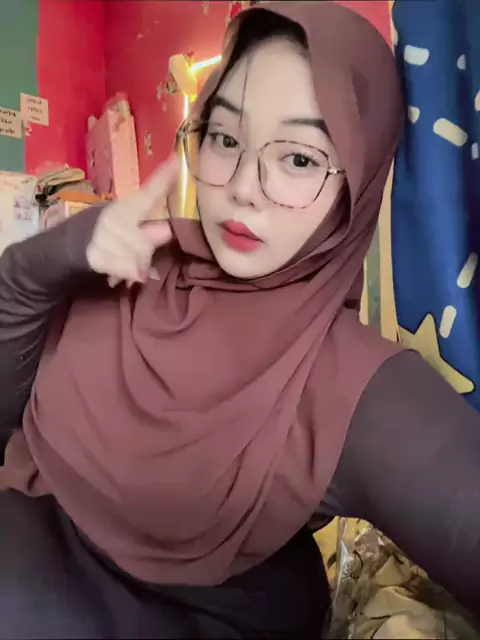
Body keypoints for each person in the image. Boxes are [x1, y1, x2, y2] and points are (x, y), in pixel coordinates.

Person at [0, 2, 479, 638]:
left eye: (299, 159)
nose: (244, 187)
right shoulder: (130, 267)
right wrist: (37, 266)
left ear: (358, 181)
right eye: (226, 139)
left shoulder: (356, 388)